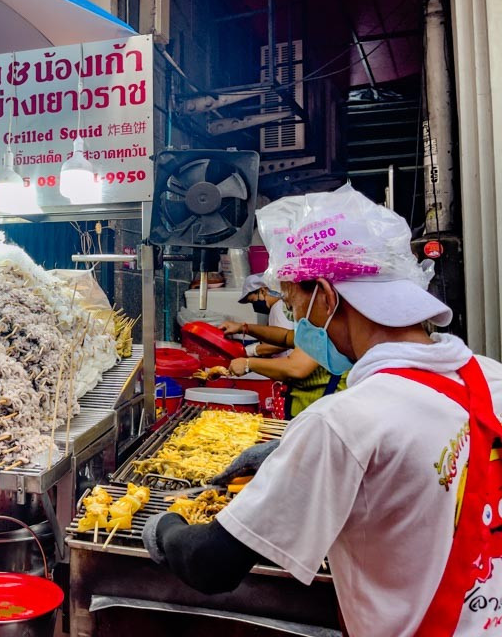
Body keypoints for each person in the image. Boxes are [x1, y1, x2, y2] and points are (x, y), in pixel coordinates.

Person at [142, 184, 496, 637]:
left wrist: (165, 528)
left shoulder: (343, 420)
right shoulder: (492, 379)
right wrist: (288, 454)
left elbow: (211, 564)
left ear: (327, 297)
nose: (299, 326)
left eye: (293, 307)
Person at [220, 274, 346, 417]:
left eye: (290, 301)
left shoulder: (325, 328)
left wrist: (249, 364)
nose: (287, 307)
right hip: (307, 412)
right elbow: (286, 336)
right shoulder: (314, 326)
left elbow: (296, 367)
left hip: (321, 415)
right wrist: (244, 328)